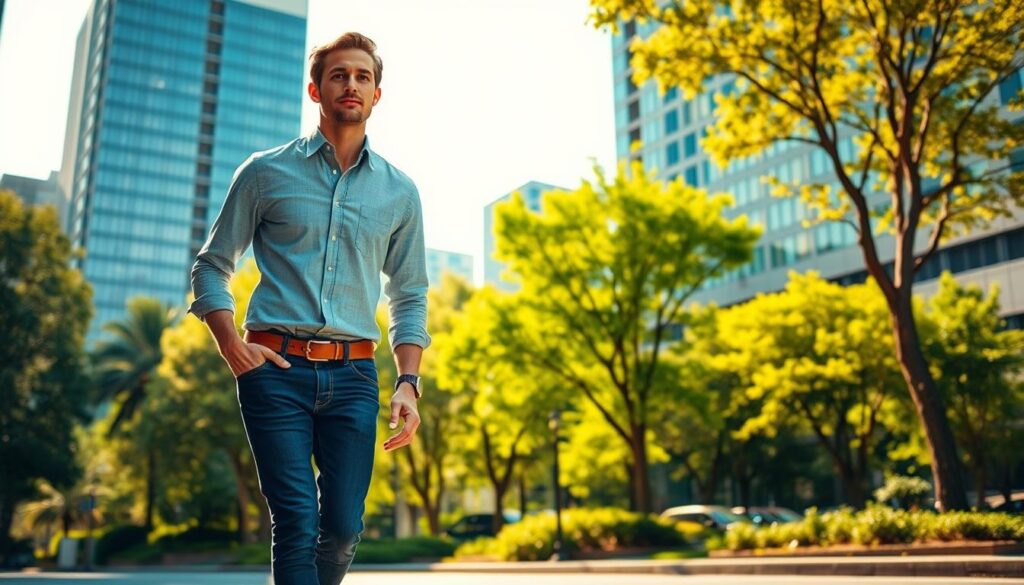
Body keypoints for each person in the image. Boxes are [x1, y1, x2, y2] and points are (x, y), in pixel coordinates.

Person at [187, 32, 430, 585]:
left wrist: (408, 383)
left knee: (343, 528)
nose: (352, 84)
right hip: (274, 370)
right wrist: (232, 346)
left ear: (377, 95)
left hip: (355, 375)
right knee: (296, 521)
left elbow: (410, 294)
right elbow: (211, 265)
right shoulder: (264, 172)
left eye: (363, 76)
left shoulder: (400, 192)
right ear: (316, 90)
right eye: (339, 75)